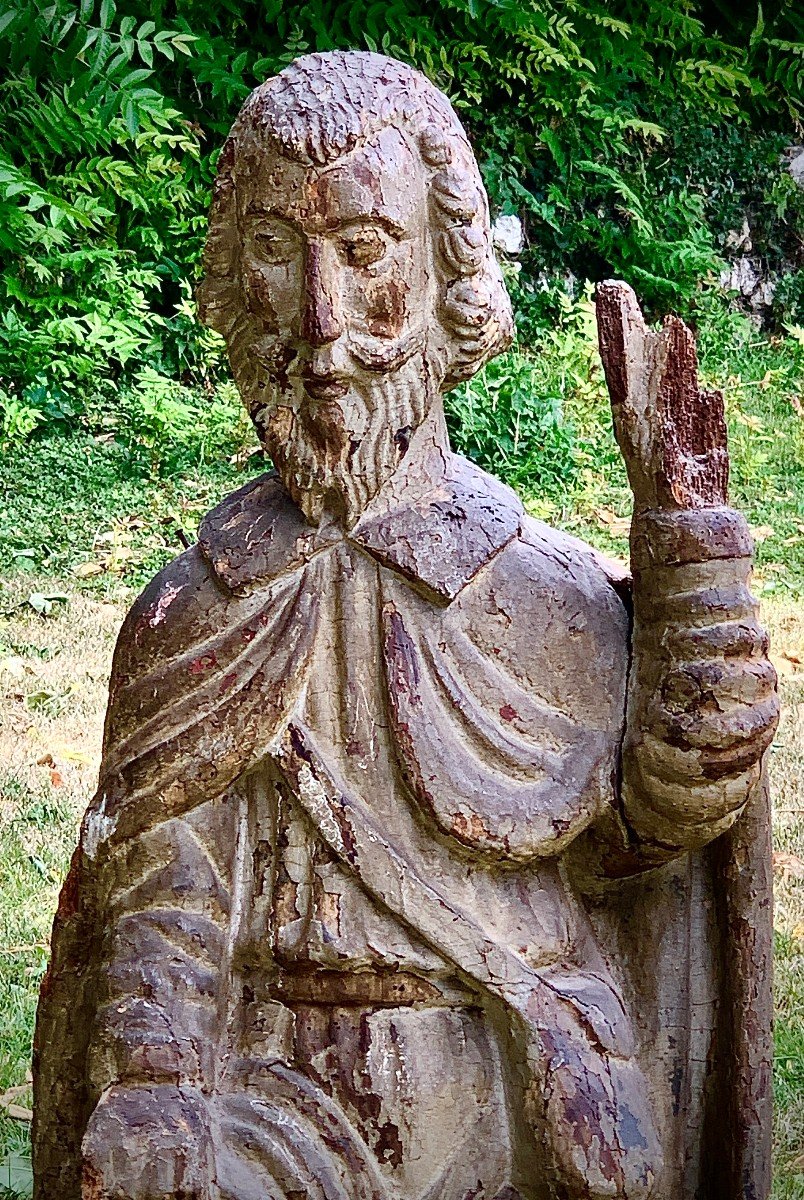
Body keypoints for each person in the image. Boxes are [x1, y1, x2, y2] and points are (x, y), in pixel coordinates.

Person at [33, 51, 779, 1200]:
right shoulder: (197, 616)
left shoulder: (539, 599)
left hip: (520, 1082)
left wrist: (696, 571)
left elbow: (654, 827)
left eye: (368, 252)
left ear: (447, 277)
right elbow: (164, 886)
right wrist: (154, 1079)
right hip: (273, 1106)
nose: (325, 322)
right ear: (237, 285)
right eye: (280, 255)